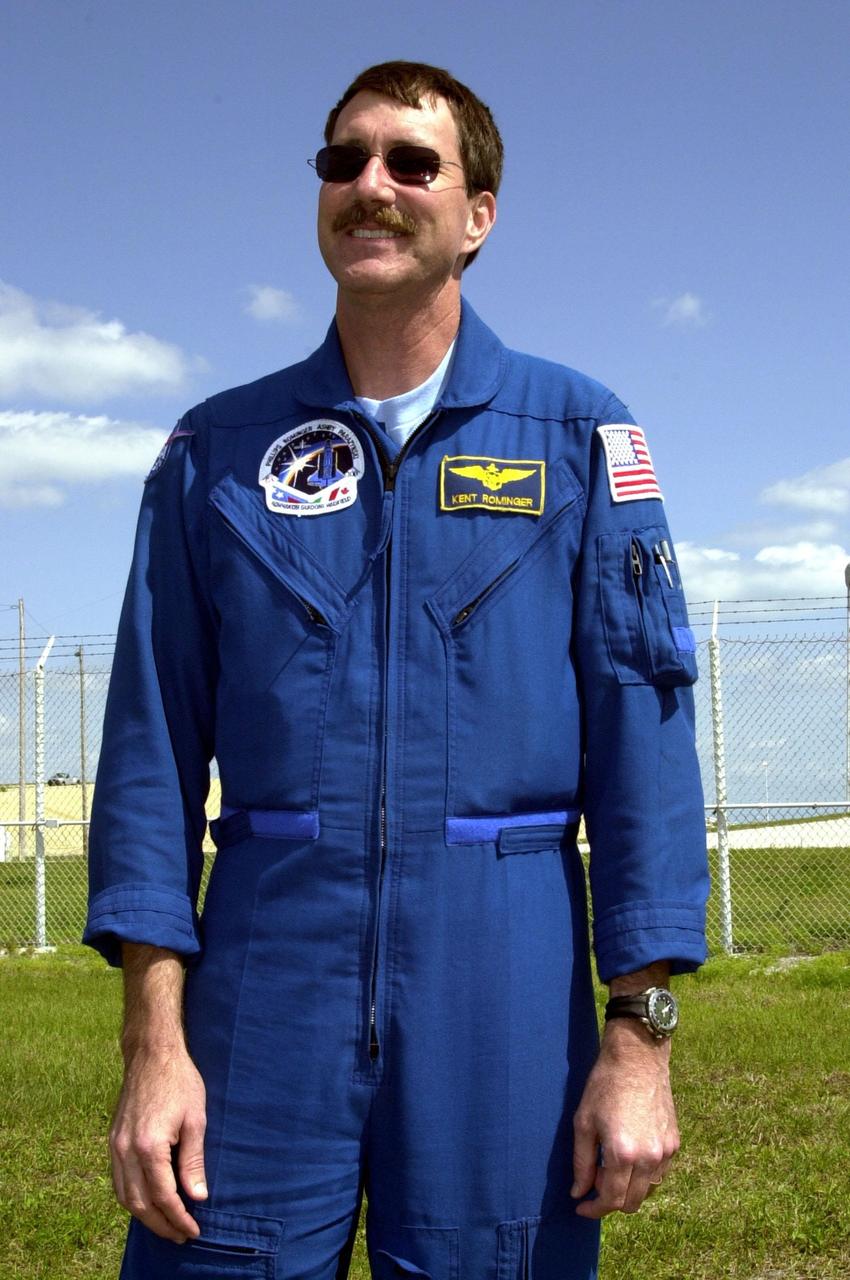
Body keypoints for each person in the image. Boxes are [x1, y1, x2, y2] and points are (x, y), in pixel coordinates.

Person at [85, 60, 709, 1280]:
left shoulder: (581, 437)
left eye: (410, 163)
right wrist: (155, 1046)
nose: (369, 186)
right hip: (268, 974)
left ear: (477, 214)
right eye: (343, 160)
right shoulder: (215, 450)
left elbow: (644, 743)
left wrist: (639, 1043)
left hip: (503, 975)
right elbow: (151, 754)